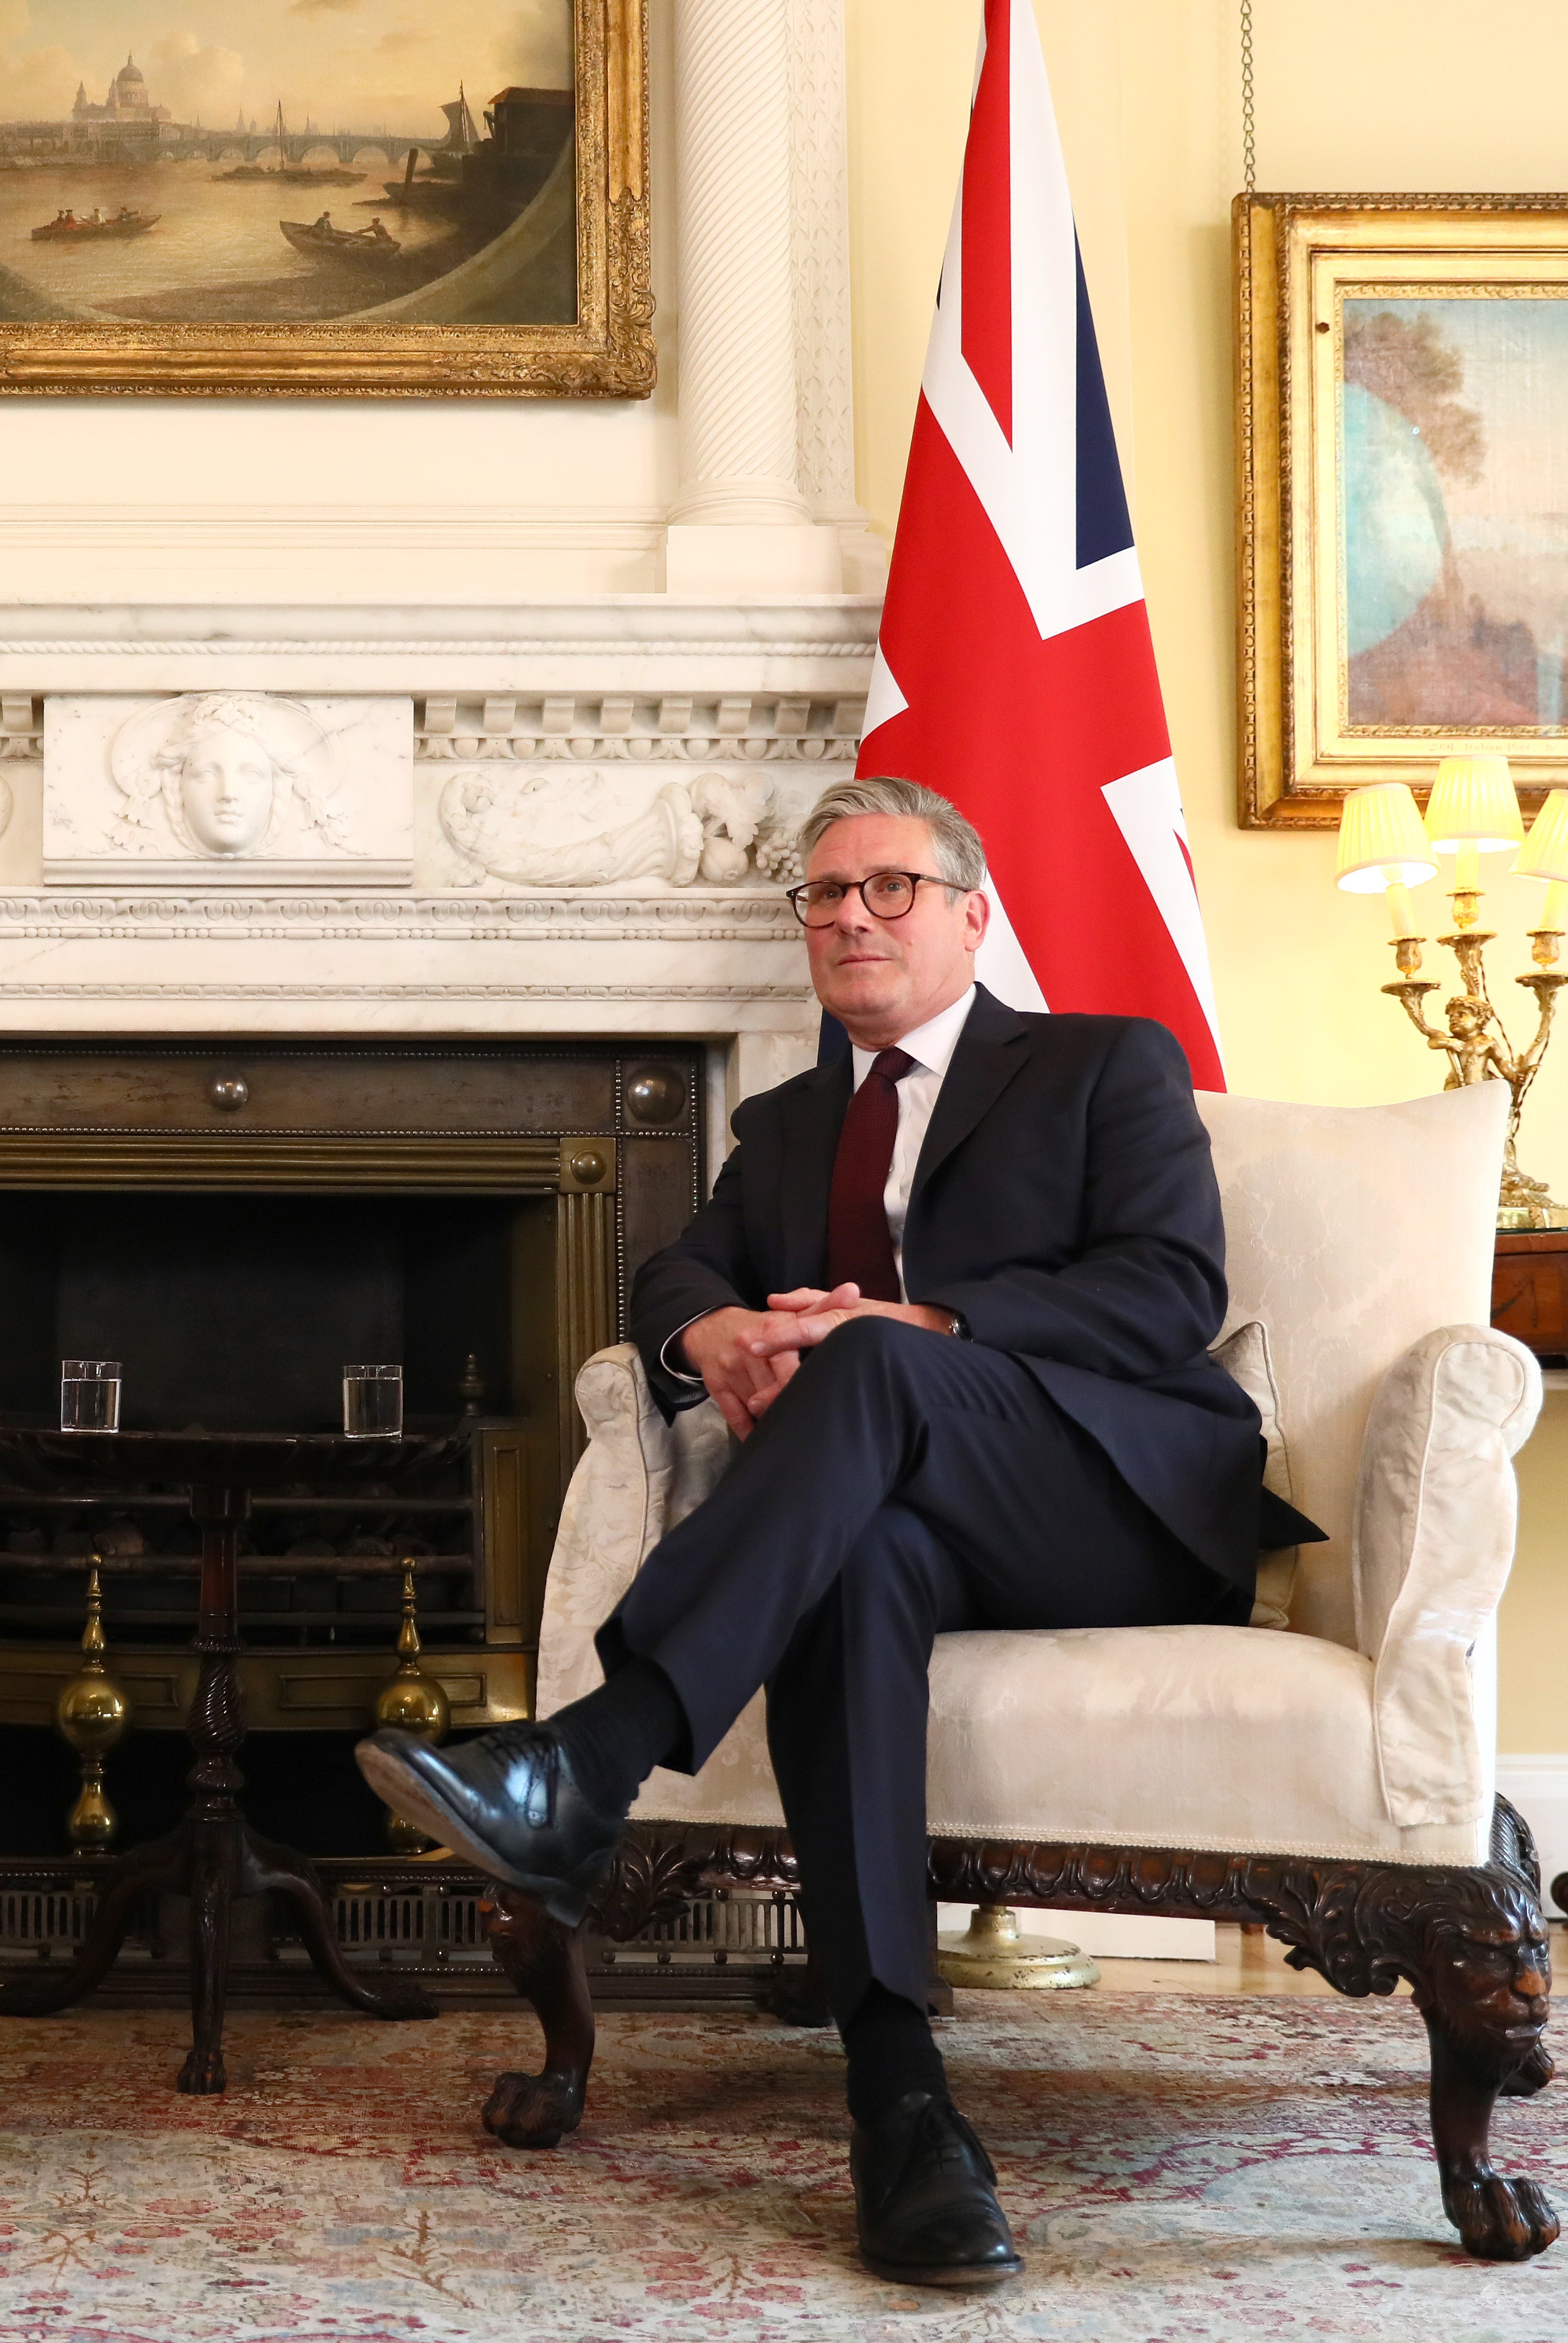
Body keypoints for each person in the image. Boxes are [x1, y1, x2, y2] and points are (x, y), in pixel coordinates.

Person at [360, 775, 1317, 2289]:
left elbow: (1168, 1294)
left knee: (871, 1361)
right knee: (853, 1558)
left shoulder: (1099, 1065)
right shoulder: (793, 1120)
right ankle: (898, 2095)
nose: (852, 917)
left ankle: (592, 1760)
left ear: (972, 915)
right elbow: (670, 1274)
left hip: (1109, 1499)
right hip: (911, 1519)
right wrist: (723, 1335)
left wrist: (925, 1320)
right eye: (824, 895)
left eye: (890, 889)